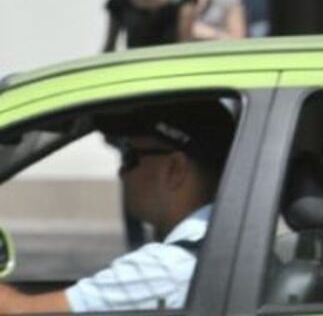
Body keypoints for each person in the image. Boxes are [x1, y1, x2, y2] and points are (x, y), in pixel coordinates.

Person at [0, 101, 235, 313]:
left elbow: (18, 311)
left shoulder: (167, 267)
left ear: (175, 170)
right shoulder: (219, 247)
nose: (121, 173)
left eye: (130, 156)